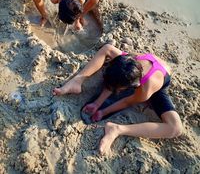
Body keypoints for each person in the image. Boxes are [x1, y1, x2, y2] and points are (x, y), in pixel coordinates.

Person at [53, 44, 183, 155]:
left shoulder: (145, 89)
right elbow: (107, 49)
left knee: (175, 128)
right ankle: (77, 81)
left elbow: (127, 101)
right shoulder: (128, 61)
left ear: (133, 86)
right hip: (139, 68)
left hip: (158, 84)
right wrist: (97, 103)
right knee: (110, 55)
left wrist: (103, 112)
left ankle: (118, 129)